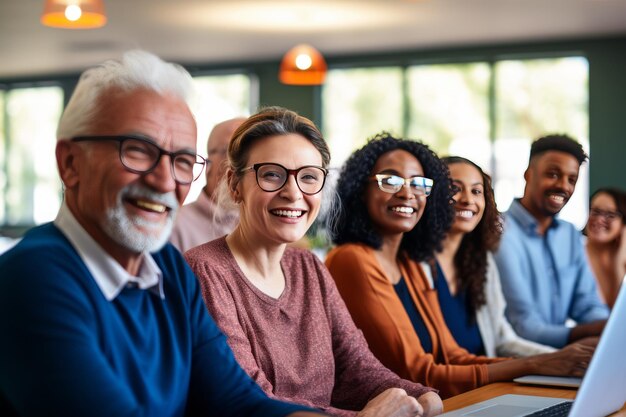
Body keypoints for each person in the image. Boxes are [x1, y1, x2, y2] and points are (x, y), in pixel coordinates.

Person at [0, 50, 322, 417]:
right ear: (70, 163)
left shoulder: (167, 265)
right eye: (137, 151)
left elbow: (237, 403)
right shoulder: (30, 278)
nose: (165, 180)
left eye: (183, 161)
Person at [185, 108, 442, 417]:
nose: (293, 193)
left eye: (308, 177)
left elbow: (357, 366)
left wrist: (421, 396)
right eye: (271, 174)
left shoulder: (310, 267)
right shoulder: (203, 271)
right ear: (235, 184)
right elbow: (255, 403)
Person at [325, 133, 593, 399]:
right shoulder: (353, 259)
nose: (407, 193)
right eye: (390, 180)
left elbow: (453, 354)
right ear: (361, 188)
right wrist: (535, 365)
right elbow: (418, 372)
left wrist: (554, 363)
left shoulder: (408, 263)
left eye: (418, 183)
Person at [494, 134, 609, 348]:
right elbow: (523, 327)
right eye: (553, 174)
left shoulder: (570, 235)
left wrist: (609, 326)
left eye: (571, 179)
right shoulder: (499, 232)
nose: (563, 186)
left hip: (560, 362)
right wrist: (594, 330)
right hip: (513, 363)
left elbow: (587, 305)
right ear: (528, 174)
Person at [432, 156, 555, 357]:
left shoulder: (482, 261)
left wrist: (561, 359)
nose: (468, 200)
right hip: (437, 387)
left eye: (476, 191)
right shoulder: (416, 264)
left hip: (485, 385)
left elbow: (502, 340)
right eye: (454, 188)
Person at [170, 117, 245, 252]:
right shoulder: (174, 225)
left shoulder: (268, 226)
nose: (242, 164)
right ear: (207, 164)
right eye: (230, 152)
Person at [584, 187, 626, 308]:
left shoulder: (623, 257)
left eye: (610, 214)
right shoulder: (574, 252)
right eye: (595, 211)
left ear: (623, 223)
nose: (599, 219)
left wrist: (618, 263)